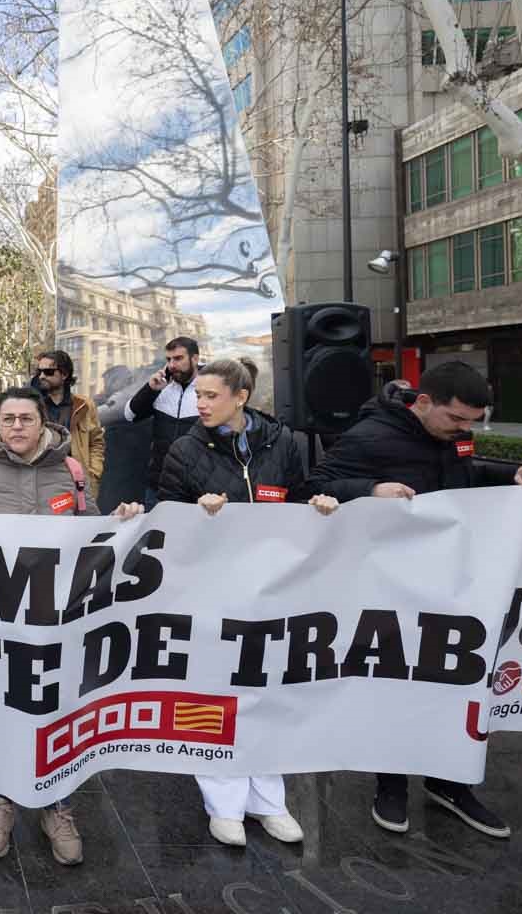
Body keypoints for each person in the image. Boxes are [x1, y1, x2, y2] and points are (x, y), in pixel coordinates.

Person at [298, 360, 522, 840]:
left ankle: (450, 781)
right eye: (456, 419)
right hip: (388, 585)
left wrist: (510, 472)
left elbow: (464, 474)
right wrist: (369, 490)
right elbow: (310, 488)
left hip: (452, 581)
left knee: (454, 683)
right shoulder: (370, 436)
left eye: (472, 422)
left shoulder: (453, 438)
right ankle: (390, 783)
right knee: (395, 681)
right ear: (423, 402)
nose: (463, 430)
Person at [0, 387, 142, 867]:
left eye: (25, 419)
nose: (16, 427)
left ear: (41, 423)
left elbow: (91, 535)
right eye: (8, 419)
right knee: (2, 708)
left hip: (57, 620)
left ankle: (57, 805)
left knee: (56, 710)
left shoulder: (69, 470)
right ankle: (2, 801)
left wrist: (122, 522)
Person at [155, 358, 338, 847]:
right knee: (215, 695)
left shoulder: (282, 443)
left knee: (268, 693)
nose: (201, 404)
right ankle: (224, 804)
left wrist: (318, 505)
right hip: (212, 591)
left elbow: (300, 497)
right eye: (198, 396)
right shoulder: (184, 449)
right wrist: (198, 515)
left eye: (211, 395)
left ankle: (268, 802)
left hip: (274, 589)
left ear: (242, 396)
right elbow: (166, 518)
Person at [125, 337, 201, 508]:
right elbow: (130, 414)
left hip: (197, 487)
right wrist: (150, 389)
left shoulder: (208, 389)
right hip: (159, 485)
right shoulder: (162, 388)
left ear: (195, 359)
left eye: (178, 358)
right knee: (157, 534)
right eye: (169, 359)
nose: (172, 365)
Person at [32, 351, 106, 497]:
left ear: (64, 375)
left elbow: (96, 442)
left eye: (48, 372)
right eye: (39, 372)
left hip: (77, 482)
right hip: (43, 482)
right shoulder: (34, 406)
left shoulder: (83, 405)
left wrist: (93, 473)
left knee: (80, 519)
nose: (41, 376)